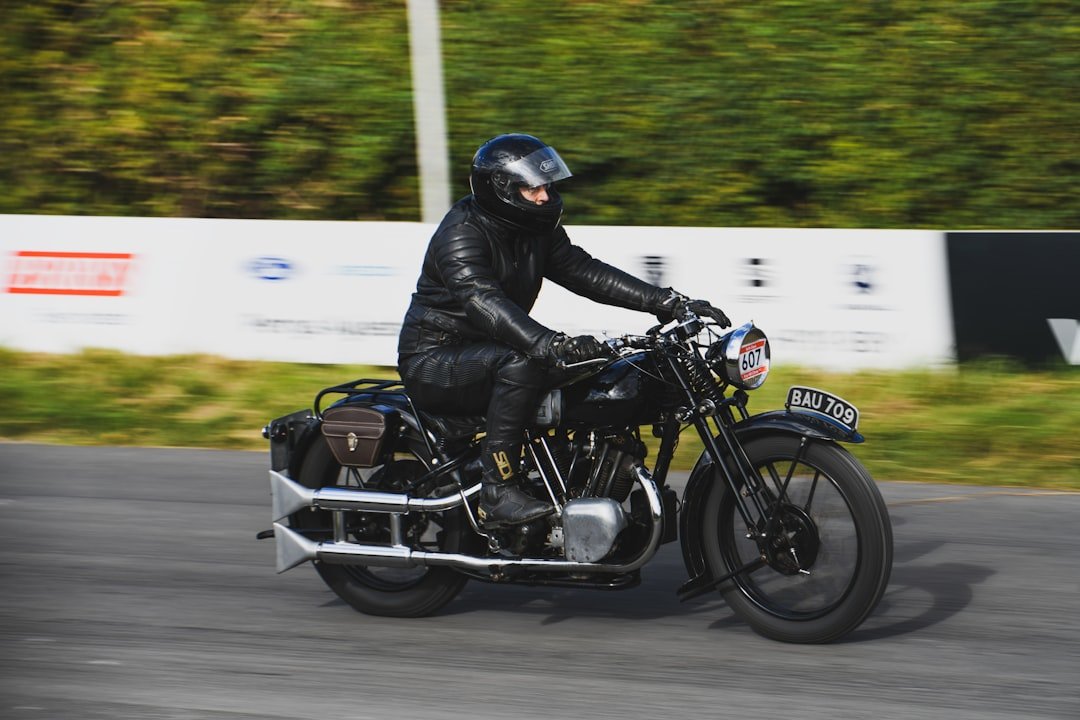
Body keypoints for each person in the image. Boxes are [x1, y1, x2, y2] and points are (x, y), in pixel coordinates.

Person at [397, 133, 729, 527]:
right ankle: (497, 490)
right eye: (532, 188)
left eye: (546, 186)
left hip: (494, 348)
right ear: (499, 189)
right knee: (523, 362)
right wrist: (549, 343)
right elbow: (484, 302)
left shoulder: (536, 229)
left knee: (611, 367)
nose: (544, 196)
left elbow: (583, 271)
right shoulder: (461, 234)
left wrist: (667, 302)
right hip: (437, 359)